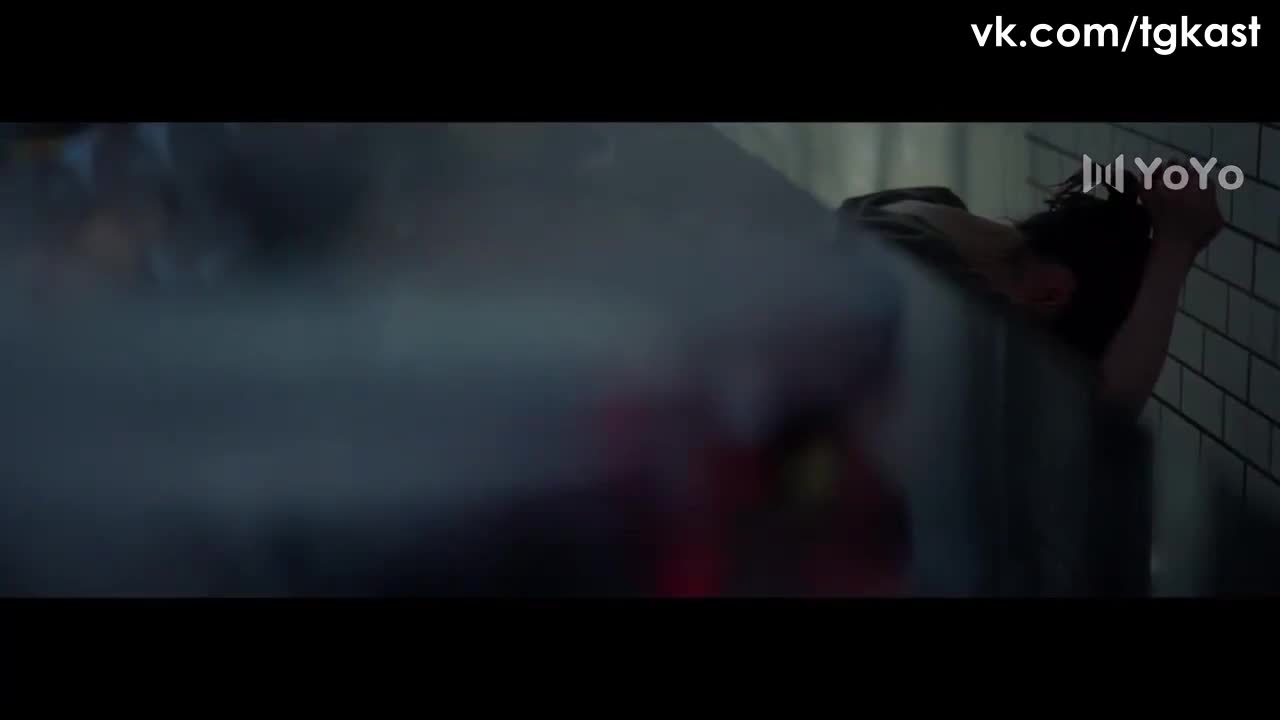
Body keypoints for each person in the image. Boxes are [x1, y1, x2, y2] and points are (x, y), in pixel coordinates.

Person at [837, 163, 1224, 414]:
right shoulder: (930, 285)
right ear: (1051, 293)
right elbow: (1098, 415)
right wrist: (1176, 247)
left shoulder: (903, 208)